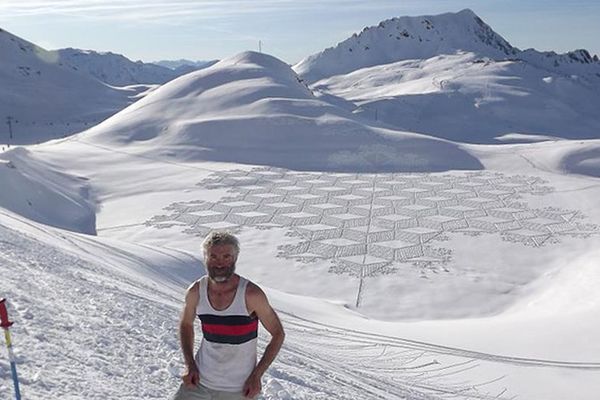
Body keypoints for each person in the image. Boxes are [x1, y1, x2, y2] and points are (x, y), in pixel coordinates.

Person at [173, 231, 285, 400]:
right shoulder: (196, 291)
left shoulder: (251, 294)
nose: (220, 263)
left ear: (235, 258)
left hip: (239, 390)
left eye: (226, 256)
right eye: (214, 256)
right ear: (205, 258)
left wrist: (256, 376)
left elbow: (278, 333)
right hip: (199, 384)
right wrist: (190, 365)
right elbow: (186, 324)